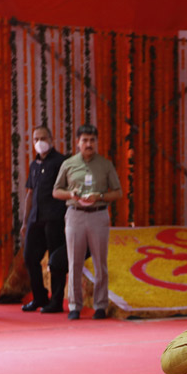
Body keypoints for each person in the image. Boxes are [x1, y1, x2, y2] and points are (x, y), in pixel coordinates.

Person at [52, 124, 121, 320]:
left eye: (92, 140)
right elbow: (56, 191)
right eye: (85, 140)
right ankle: (74, 305)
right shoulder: (69, 164)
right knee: (74, 261)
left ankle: (100, 306)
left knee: (100, 262)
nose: (88, 144)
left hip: (98, 214)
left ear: (96, 142)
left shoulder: (105, 165)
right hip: (75, 214)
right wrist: (71, 194)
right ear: (78, 142)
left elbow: (118, 192)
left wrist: (99, 195)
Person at [21, 125, 69, 313]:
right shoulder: (34, 165)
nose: (39, 142)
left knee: (55, 260)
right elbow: (29, 194)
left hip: (55, 218)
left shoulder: (61, 162)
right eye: (36, 139)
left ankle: (56, 301)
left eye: (43, 138)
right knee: (29, 257)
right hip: (36, 219)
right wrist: (25, 222)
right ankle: (39, 297)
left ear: (51, 139)